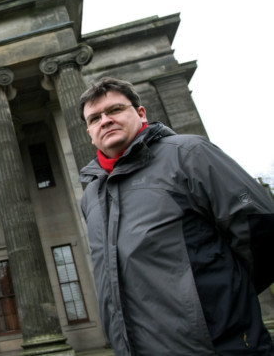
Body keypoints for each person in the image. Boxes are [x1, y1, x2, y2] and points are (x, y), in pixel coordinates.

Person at [78, 77, 274, 355]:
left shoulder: (188, 154)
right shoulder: (91, 196)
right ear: (89, 131)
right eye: (95, 117)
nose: (105, 121)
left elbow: (261, 227)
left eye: (115, 110)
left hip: (218, 345)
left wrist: (222, 307)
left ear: (141, 113)